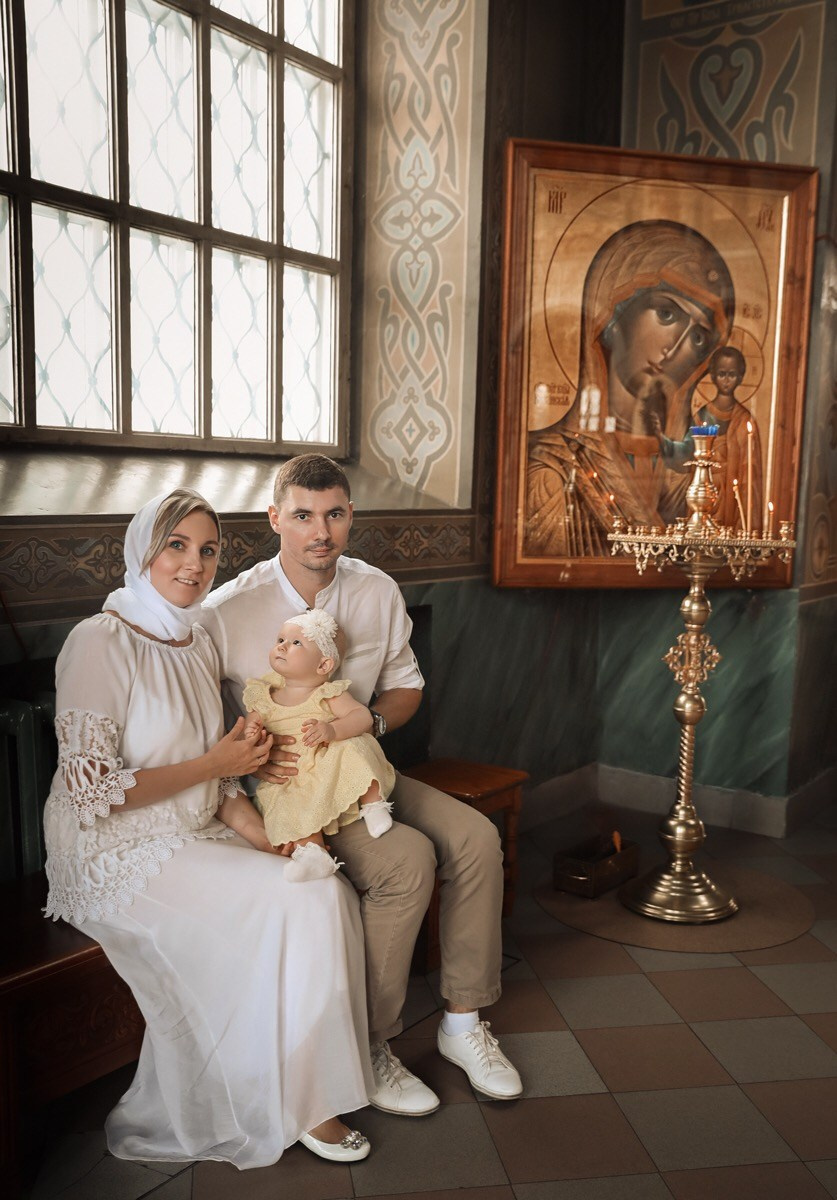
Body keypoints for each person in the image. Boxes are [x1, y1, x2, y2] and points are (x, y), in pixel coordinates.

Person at [43, 487, 374, 1168]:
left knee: (320, 889)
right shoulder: (99, 641)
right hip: (114, 850)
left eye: (208, 550)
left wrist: (272, 842)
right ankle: (295, 1102)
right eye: (177, 545)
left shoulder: (195, 642)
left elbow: (222, 785)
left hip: (194, 832)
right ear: (144, 549)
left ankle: (303, 1085)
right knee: (282, 904)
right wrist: (216, 764)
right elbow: (91, 793)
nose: (194, 564)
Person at [201, 454, 523, 1114]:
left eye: (334, 515)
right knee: (407, 859)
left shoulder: (376, 590)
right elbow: (200, 724)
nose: (320, 532)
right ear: (274, 519)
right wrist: (246, 761)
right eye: (302, 516)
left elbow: (405, 687)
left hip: (364, 766)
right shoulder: (227, 610)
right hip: (291, 787)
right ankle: (367, 1045)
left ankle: (462, 1023)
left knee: (475, 838)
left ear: (350, 516)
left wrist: (366, 721)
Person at [526, 220, 735, 557]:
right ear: (612, 315)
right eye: (666, 314)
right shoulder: (550, 473)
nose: (676, 347)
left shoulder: (695, 480)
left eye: (698, 337)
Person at [242, 608, 395, 882]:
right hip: (292, 776)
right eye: (280, 640)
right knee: (288, 802)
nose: (282, 647)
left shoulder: (326, 693)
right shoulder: (263, 694)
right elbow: (250, 731)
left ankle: (373, 803)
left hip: (324, 765)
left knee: (353, 745)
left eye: (295, 643)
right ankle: (314, 854)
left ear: (323, 666)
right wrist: (252, 732)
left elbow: (362, 716)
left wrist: (333, 730)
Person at [652, 345, 763, 531]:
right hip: (702, 494)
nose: (726, 380)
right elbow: (687, 452)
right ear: (712, 376)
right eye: (721, 374)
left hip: (731, 501)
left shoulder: (745, 421)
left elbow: (751, 473)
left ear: (740, 377)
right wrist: (662, 440)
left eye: (732, 374)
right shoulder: (702, 416)